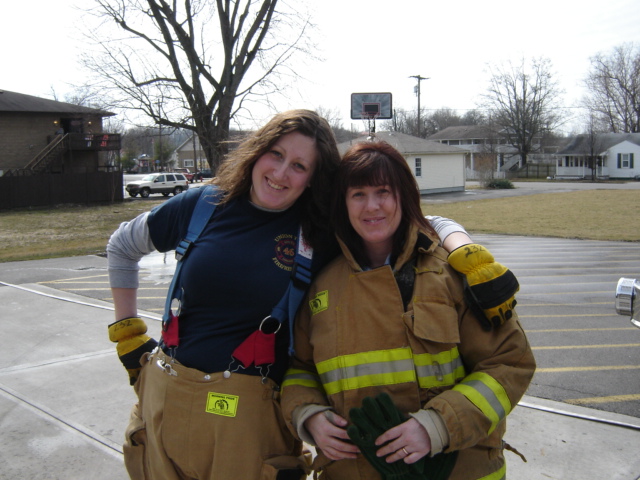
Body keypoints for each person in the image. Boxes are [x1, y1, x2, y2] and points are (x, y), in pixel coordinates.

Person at [106, 110, 511, 480]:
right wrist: (128, 333)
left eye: (299, 166)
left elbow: (409, 217)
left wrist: (465, 252)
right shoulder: (204, 204)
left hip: (243, 421)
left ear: (314, 179)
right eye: (276, 154)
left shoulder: (320, 230)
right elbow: (122, 246)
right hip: (163, 399)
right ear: (257, 152)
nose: (281, 173)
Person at [280, 140, 536, 480]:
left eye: (383, 192)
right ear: (343, 203)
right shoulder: (320, 287)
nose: (372, 206)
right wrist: (309, 415)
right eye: (358, 194)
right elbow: (300, 369)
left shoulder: (452, 274)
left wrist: (439, 426)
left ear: (404, 196)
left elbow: (510, 362)